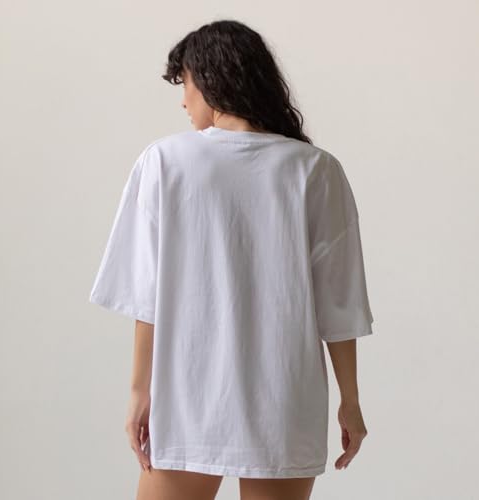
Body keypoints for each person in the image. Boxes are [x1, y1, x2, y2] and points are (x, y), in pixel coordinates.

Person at [89, 19, 374, 500]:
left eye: (184, 83)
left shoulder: (164, 162)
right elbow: (338, 303)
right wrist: (350, 400)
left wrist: (139, 393)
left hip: (187, 397)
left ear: (210, 78)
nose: (183, 101)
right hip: (284, 398)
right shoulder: (315, 169)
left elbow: (146, 294)